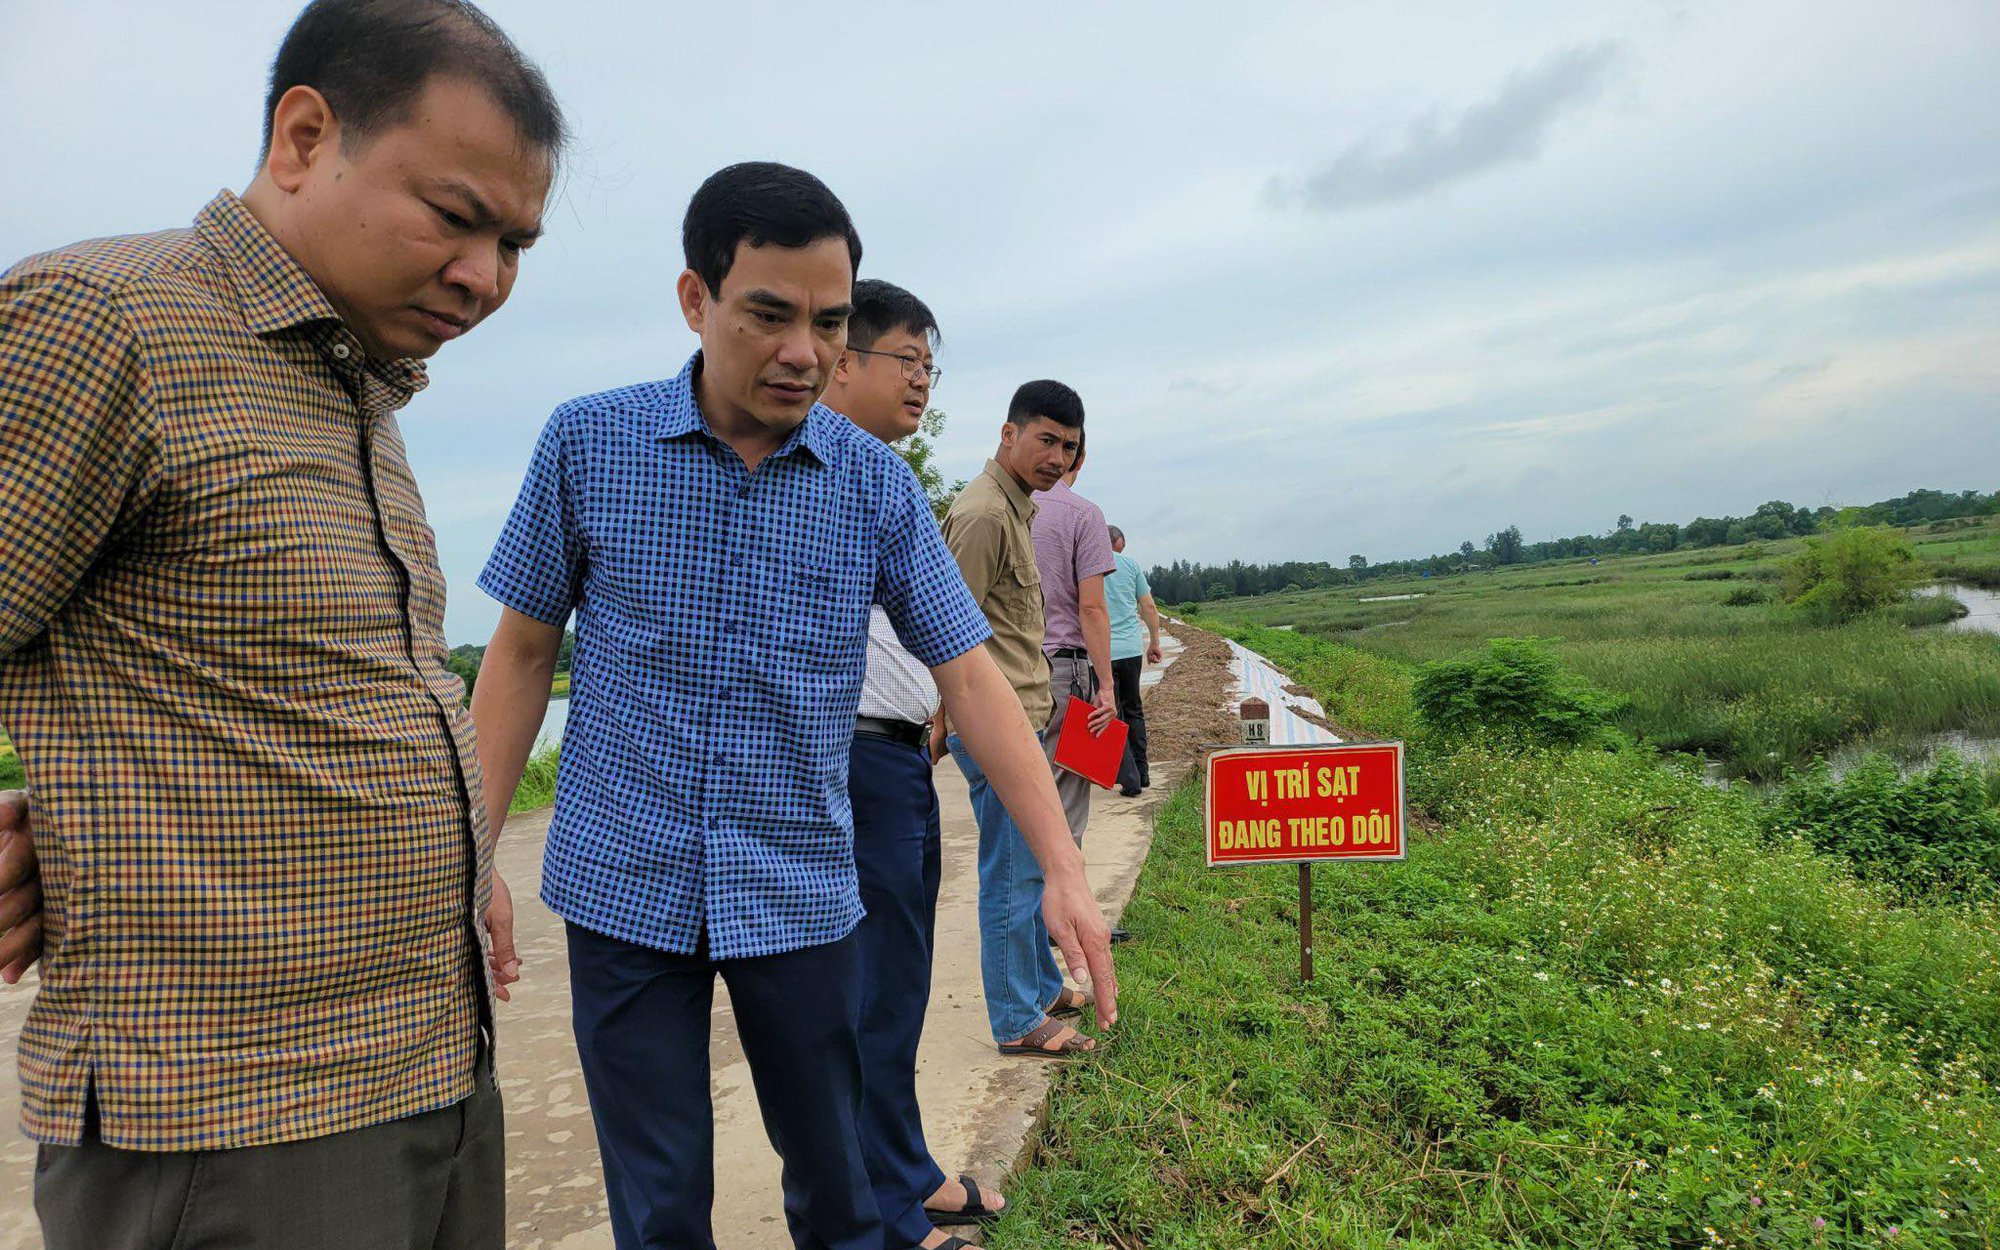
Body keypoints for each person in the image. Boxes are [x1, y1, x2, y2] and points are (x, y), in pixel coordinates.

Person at [469, 163, 1116, 1250]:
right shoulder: (586, 444)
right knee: (661, 1199)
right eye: (767, 314)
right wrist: (475, 846)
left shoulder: (872, 483)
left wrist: (1060, 865)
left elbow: (966, 673)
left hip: (801, 885)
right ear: (695, 298)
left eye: (826, 322)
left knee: (836, 1183)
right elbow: (525, 652)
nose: (802, 351)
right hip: (623, 880)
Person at [0, 2, 564, 1245]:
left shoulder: (357, 390)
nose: (486, 276)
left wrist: (458, 865)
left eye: (515, 242)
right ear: (304, 137)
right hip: (232, 1119)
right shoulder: (111, 320)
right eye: (456, 216)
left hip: (428, 1063)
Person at [817, 278, 1007, 1248]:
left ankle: (906, 1171)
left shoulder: (881, 481)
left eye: (932, 366)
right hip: (850, 763)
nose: (923, 382)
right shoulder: (812, 475)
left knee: (896, 989)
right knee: (865, 1000)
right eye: (908, 360)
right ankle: (883, 1208)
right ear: (839, 360)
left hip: (896, 761)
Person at [942, 381, 1110, 1059]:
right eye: (1045, 439)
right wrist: (946, 720)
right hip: (996, 725)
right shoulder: (984, 515)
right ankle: (1017, 1016)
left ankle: (1040, 984)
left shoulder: (1021, 508)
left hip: (1023, 716)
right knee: (1012, 876)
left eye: (1068, 446)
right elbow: (945, 630)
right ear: (1008, 434)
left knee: (1034, 865)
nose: (1057, 456)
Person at [1030, 430, 1117, 843]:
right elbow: (1092, 608)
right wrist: (1107, 686)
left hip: (1001, 669)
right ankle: (1061, 904)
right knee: (1063, 795)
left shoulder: (1004, 507)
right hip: (1062, 671)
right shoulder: (1083, 514)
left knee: (1016, 798)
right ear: (1079, 461)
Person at [1104, 525, 1164, 796]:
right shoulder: (1130, 565)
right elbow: (1148, 606)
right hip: (1130, 650)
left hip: (1101, 652)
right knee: (1134, 709)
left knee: (1110, 712)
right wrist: (1154, 641)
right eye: (1122, 545)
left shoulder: (1086, 565)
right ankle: (1142, 772)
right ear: (1117, 542)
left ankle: (1129, 779)